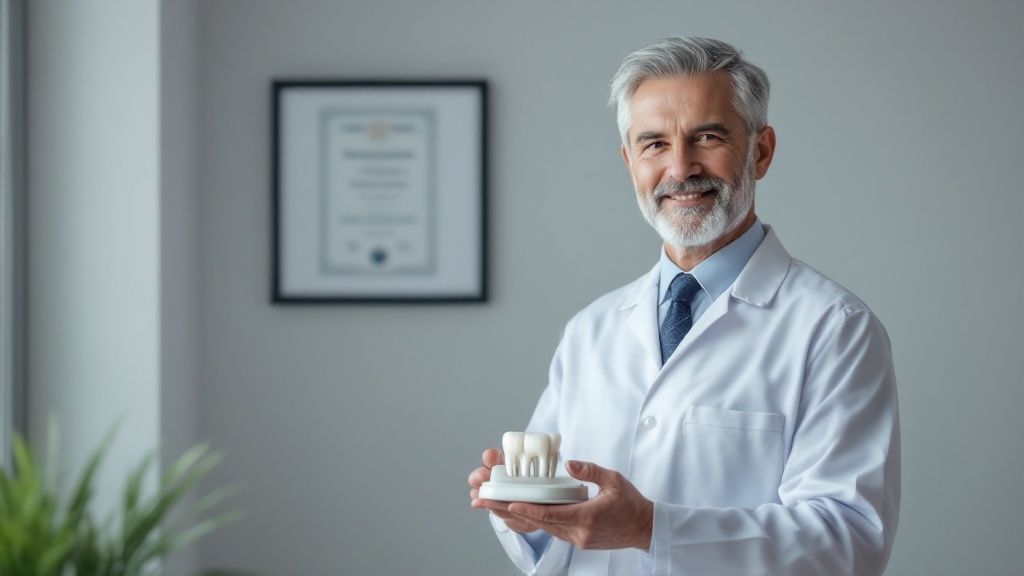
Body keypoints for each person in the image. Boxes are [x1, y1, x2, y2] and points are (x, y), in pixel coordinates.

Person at [468, 36, 900, 575]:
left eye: (708, 136)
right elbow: (557, 532)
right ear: (630, 162)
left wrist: (651, 528)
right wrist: (527, 518)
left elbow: (847, 542)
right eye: (653, 144)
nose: (680, 168)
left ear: (760, 151)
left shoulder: (835, 329)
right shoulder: (592, 330)